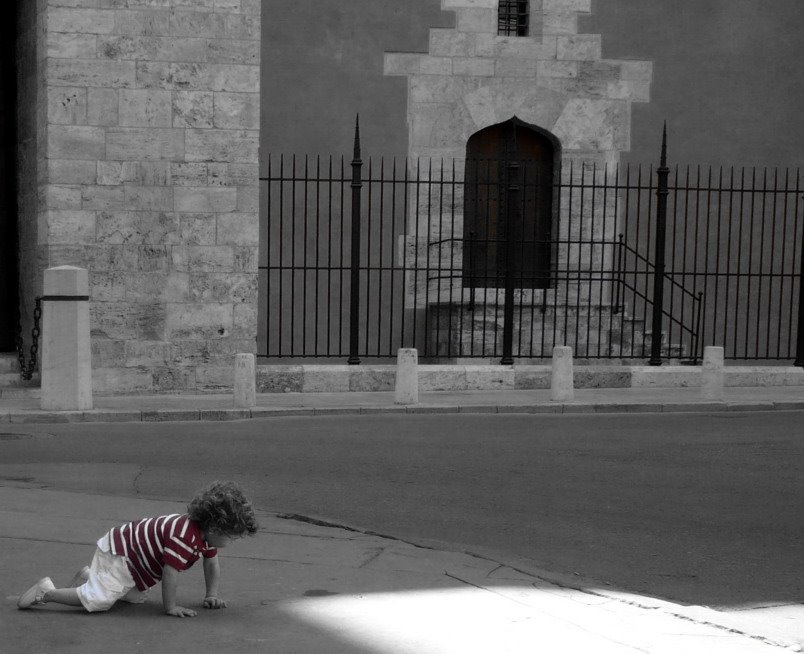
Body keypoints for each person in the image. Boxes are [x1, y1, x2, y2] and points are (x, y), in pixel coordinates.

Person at [17, 480, 258, 617]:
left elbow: (211, 563)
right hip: (123, 555)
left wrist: (211, 594)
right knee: (100, 601)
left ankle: (89, 577)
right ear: (215, 527)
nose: (232, 542)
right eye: (232, 537)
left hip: (130, 559)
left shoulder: (204, 537)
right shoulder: (185, 537)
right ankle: (46, 593)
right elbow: (170, 573)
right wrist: (171, 607)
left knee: (133, 598)